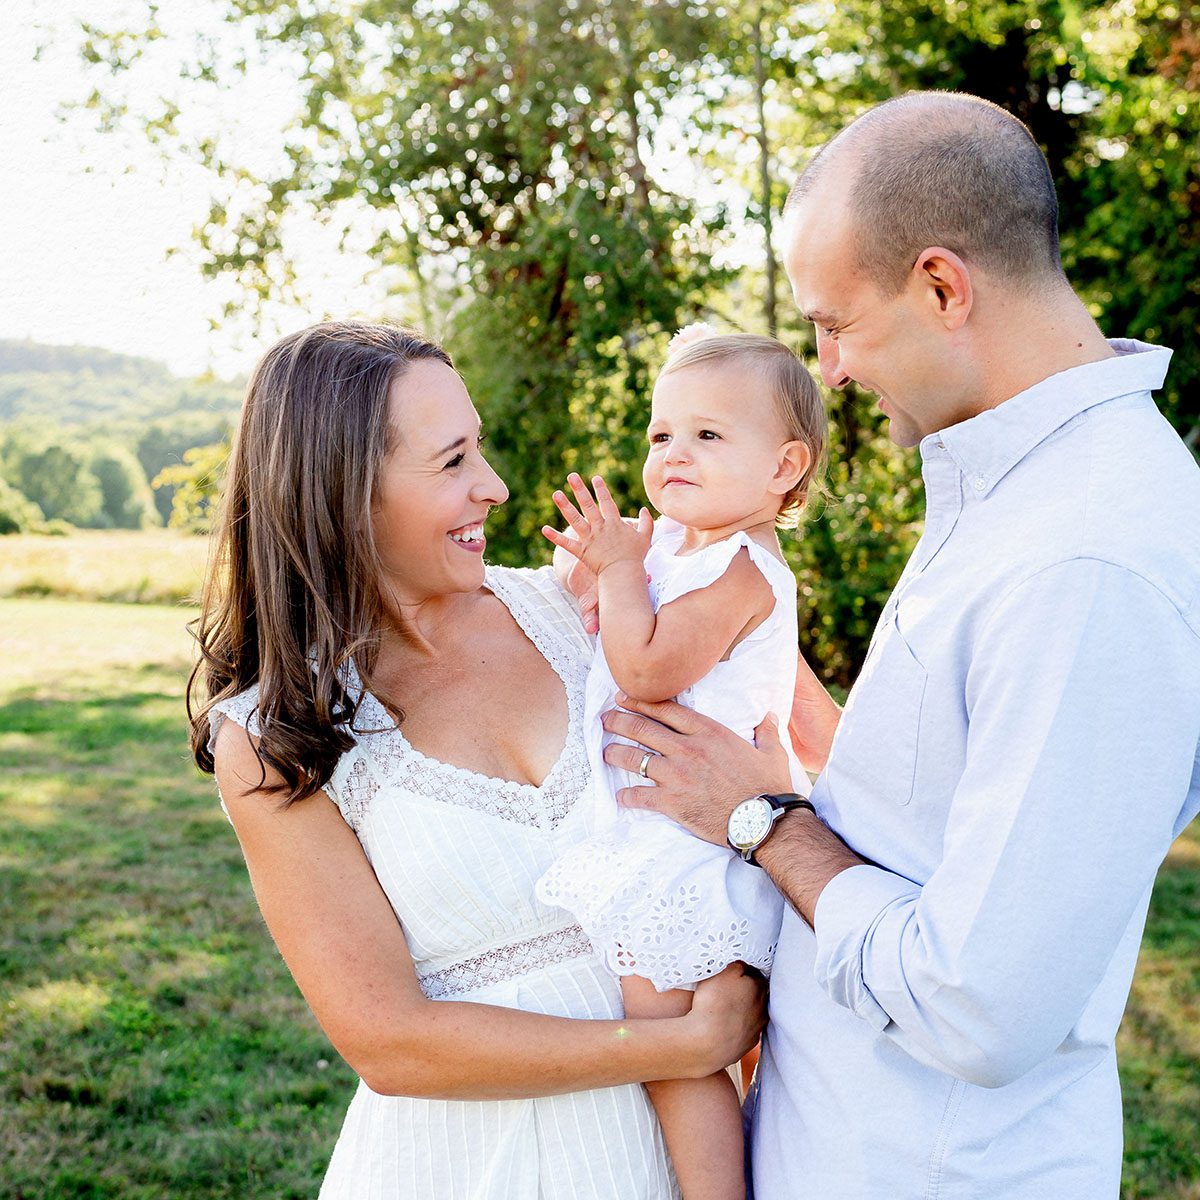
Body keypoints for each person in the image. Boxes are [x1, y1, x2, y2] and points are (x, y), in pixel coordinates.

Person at [591, 92, 1200, 1198]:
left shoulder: (1087, 556)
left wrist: (762, 821)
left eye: (837, 324)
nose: (827, 369)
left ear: (940, 286)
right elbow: (923, 806)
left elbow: (980, 1001)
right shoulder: (1021, 494)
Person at [188, 320, 766, 1200]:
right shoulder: (274, 735)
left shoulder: (587, 614)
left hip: (678, 1154)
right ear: (346, 492)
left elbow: (794, 760)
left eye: (480, 452)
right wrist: (680, 1046)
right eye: (452, 461)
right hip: (465, 1168)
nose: (492, 487)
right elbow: (388, 1040)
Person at [536, 329, 826, 1200]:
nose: (674, 454)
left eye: (708, 435)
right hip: (657, 825)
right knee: (672, 1040)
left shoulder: (746, 569)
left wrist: (623, 572)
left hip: (689, 848)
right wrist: (598, 573)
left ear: (783, 467)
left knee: (675, 1051)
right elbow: (601, 616)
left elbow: (649, 667)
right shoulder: (679, 548)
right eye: (662, 435)